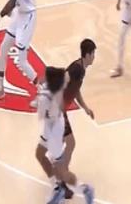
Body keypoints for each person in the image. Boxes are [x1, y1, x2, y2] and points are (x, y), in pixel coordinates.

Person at [35, 39, 96, 200]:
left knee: (64, 145)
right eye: (93, 54)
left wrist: (85, 108)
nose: (94, 57)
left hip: (58, 114)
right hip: (58, 112)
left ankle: (62, 179)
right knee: (69, 143)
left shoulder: (81, 69)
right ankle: (63, 180)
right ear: (87, 54)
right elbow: (65, 78)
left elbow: (76, 90)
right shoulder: (77, 69)